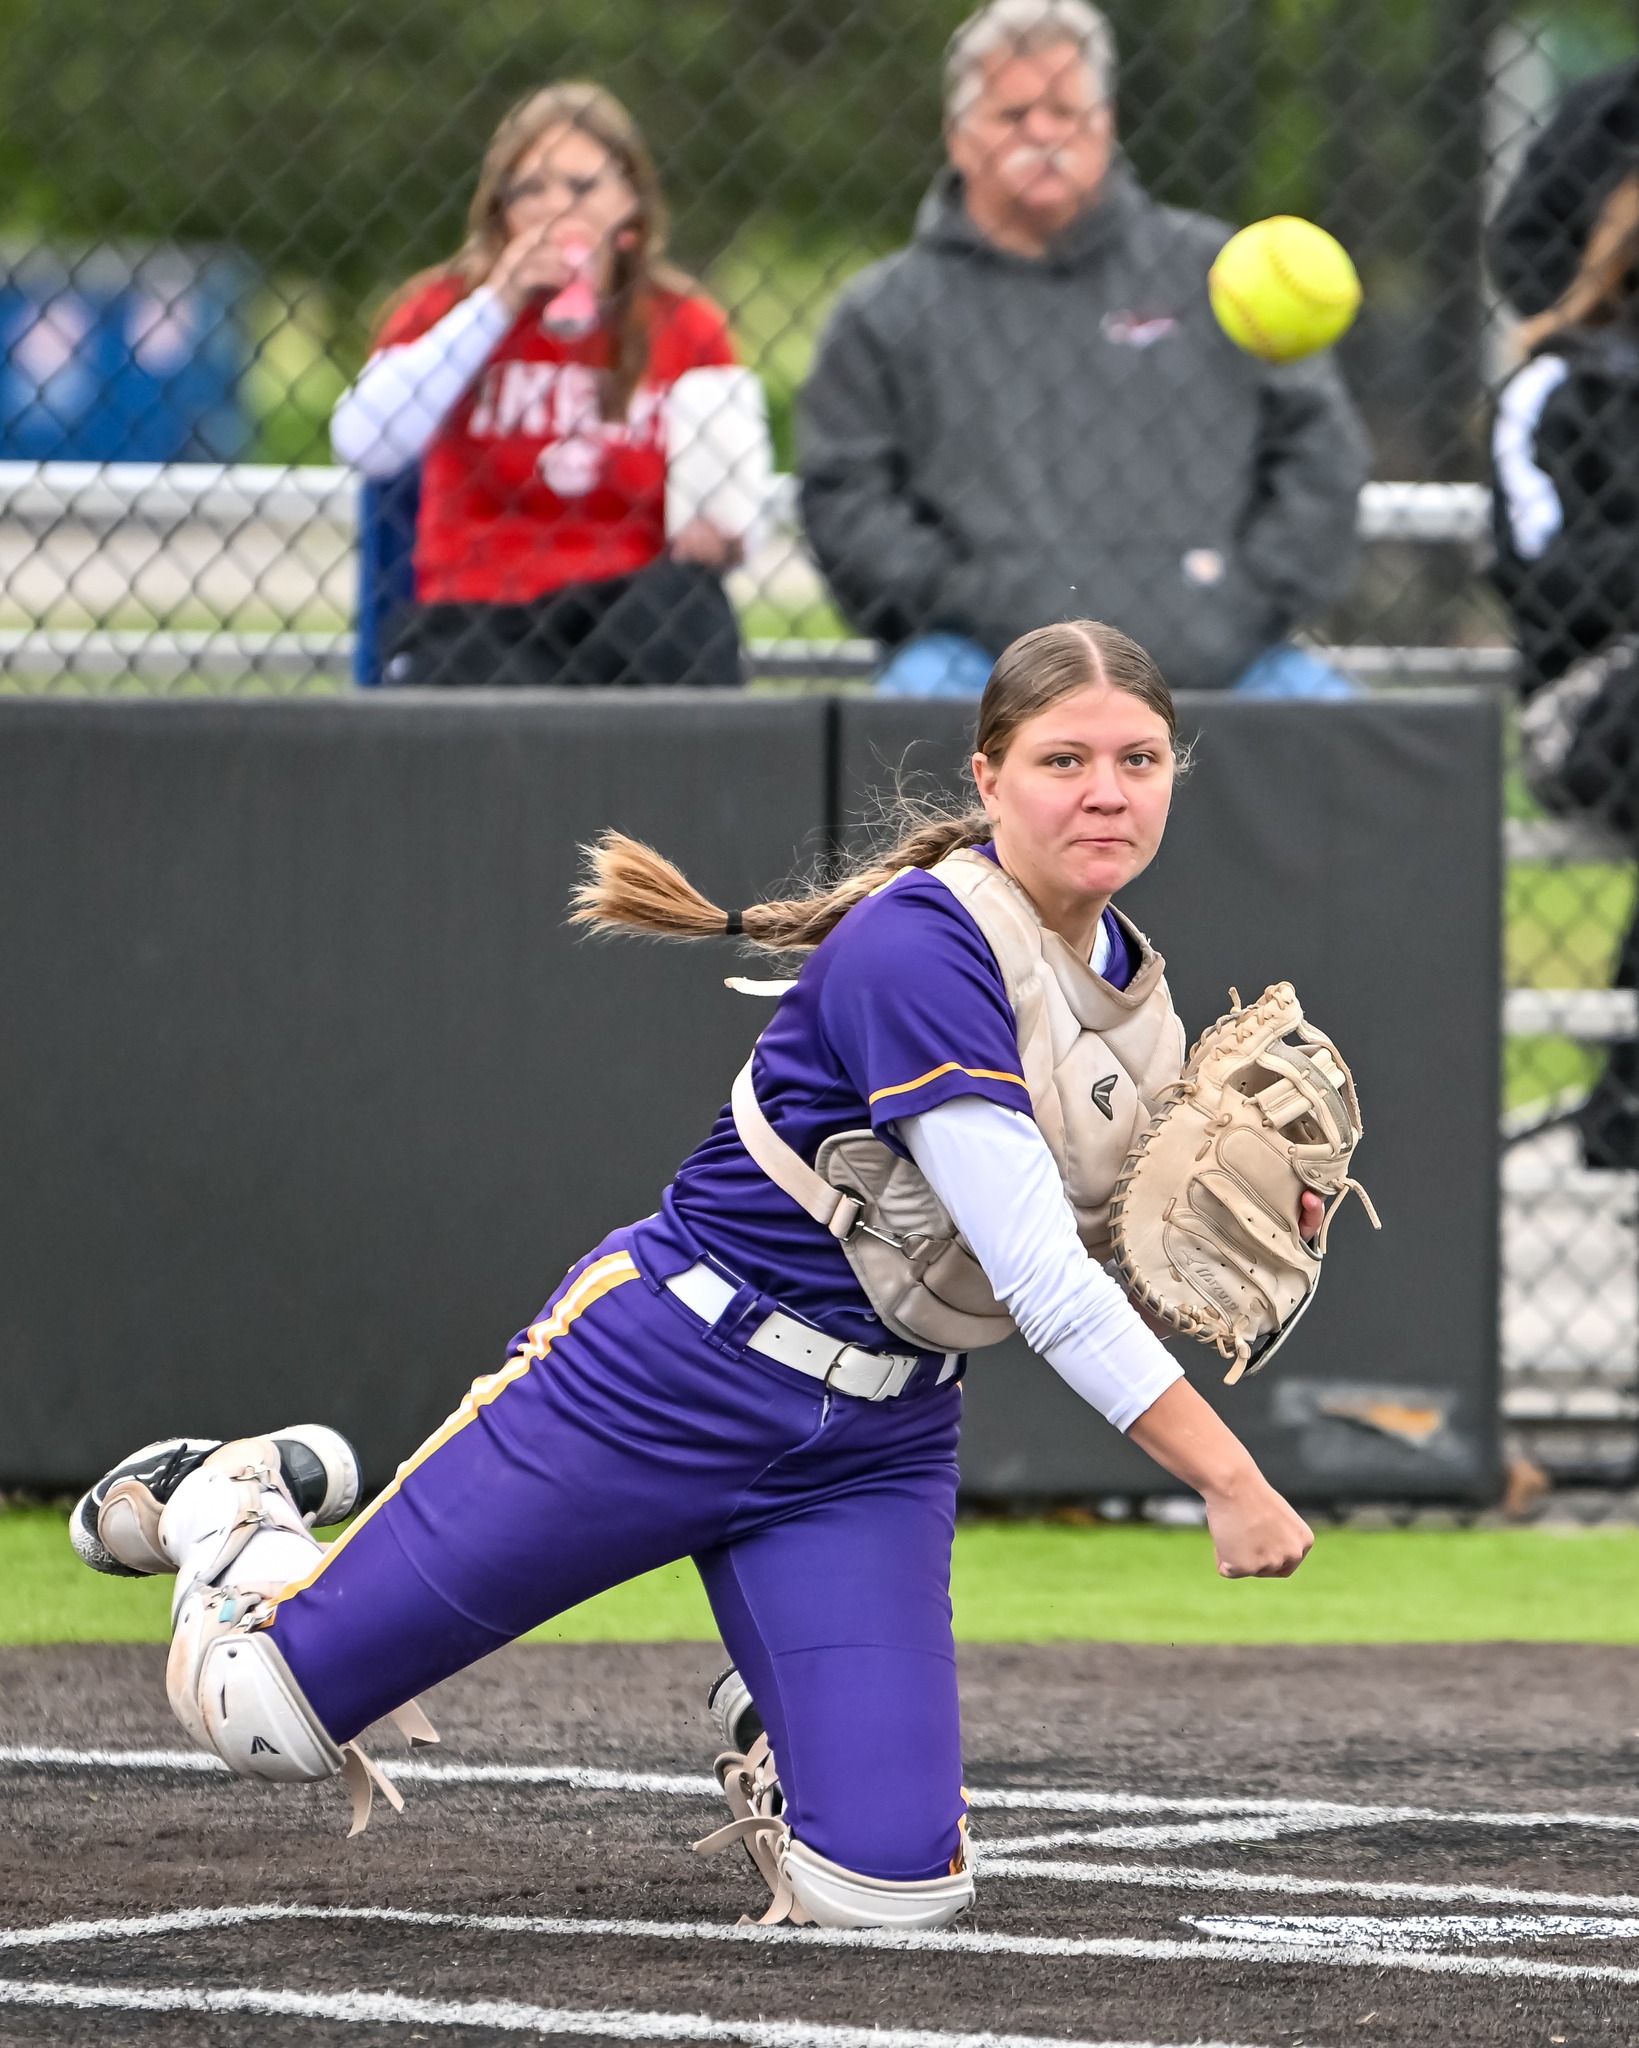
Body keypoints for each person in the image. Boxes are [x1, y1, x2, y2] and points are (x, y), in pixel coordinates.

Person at [69, 620, 1316, 1930]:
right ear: (988, 774)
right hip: (667, 1375)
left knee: (886, 1891)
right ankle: (227, 1505)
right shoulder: (922, 947)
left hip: (872, 1439)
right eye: (1064, 759)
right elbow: (1040, 1278)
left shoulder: (1134, 991)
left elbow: (1052, 1243)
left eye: (1138, 758)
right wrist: (1226, 1479)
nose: (1107, 791)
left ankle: (787, 1713)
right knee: (259, 1712)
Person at [797, 0, 1369, 700]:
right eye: (1013, 115)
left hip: (1229, 667)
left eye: (1066, 112)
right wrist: (971, 599)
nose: (1042, 133)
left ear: (1107, 125)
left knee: (1329, 716)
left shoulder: (1221, 280)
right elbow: (847, 501)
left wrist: (1237, 607)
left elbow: (1321, 456)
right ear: (958, 137)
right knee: (919, 694)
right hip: (981, 668)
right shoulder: (884, 313)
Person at [330, 83, 770, 689]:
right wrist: (498, 302)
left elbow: (739, 490)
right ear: (500, 208)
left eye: (582, 187)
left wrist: (725, 536)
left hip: (630, 600)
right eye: (530, 189)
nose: (555, 207)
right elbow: (363, 443)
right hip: (480, 603)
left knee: (689, 617)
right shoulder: (445, 308)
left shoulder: (684, 324)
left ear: (631, 204)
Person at [1491, 146, 1639, 1170]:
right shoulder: (1557, 381)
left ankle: (1622, 1112)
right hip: (1581, 702)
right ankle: (1624, 1111)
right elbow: (1545, 579)